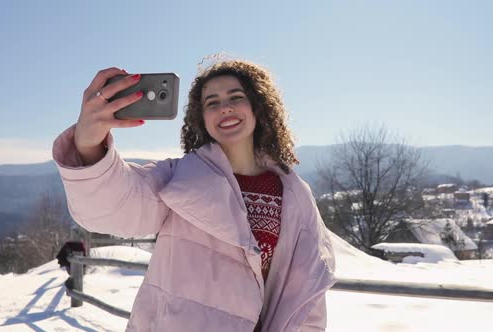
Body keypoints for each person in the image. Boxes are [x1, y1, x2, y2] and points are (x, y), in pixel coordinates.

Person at [52, 58, 336, 331]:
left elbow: (306, 294)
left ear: (257, 107)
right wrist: (89, 145)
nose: (224, 107)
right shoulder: (179, 180)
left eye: (236, 97)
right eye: (212, 102)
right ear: (202, 118)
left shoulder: (294, 194)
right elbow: (117, 207)